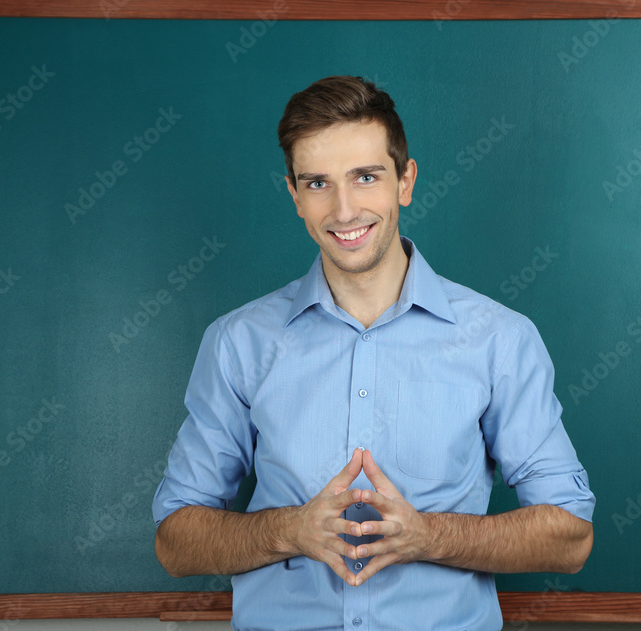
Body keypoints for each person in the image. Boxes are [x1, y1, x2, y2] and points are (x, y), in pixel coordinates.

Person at [151, 75, 595, 630]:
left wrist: (427, 535)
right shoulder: (238, 342)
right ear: (294, 196)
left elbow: (570, 537)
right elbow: (176, 542)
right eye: (317, 183)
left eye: (366, 177)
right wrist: (290, 531)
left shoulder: (499, 339)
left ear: (405, 181)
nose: (343, 209)